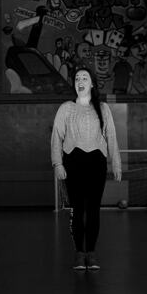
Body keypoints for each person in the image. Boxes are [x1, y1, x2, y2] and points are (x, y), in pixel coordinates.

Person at [51, 68, 122, 270]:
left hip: (96, 164)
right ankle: (79, 254)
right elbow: (56, 136)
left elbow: (112, 137)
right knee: (77, 209)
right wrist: (58, 163)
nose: (80, 81)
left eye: (84, 78)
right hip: (73, 163)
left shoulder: (103, 108)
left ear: (92, 84)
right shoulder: (66, 108)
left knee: (93, 210)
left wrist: (116, 163)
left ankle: (91, 252)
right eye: (77, 78)